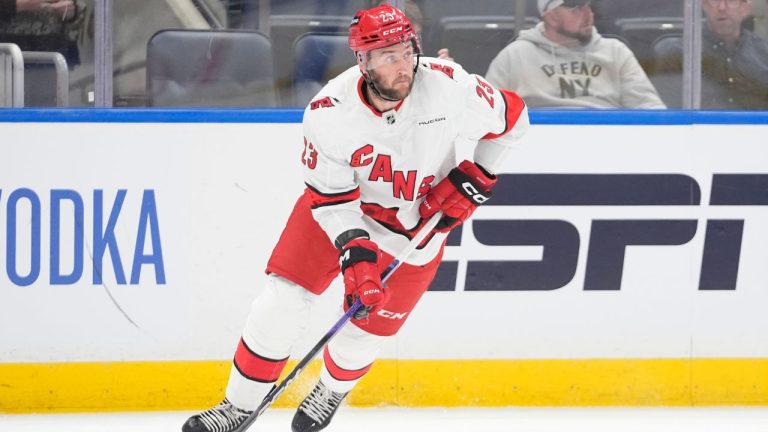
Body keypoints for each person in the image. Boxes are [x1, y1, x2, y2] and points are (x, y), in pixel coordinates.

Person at [182, 4, 529, 432]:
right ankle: (238, 406)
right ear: (362, 61)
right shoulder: (329, 113)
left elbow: (515, 120)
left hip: (416, 228)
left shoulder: (449, 85)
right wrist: (355, 253)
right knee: (280, 303)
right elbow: (331, 200)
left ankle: (330, 388)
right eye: (387, 56)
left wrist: (478, 175)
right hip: (340, 212)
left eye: (406, 51)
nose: (403, 67)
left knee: (365, 332)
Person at [485, 0, 665, 108]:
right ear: (551, 17)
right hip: (535, 147)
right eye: (576, 8)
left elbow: (651, 109)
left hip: (609, 145)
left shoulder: (615, 52)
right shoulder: (515, 56)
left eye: (588, 5)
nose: (588, 13)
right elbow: (485, 111)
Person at [654, 0, 768, 109]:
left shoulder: (763, 53)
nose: (722, 7)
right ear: (704, 5)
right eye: (714, 0)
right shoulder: (679, 55)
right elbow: (670, 114)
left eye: (731, 1)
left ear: (745, 8)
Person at [0, 0, 86, 67]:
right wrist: (19, 5)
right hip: (7, 53)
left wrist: (71, 10)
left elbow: (78, 9)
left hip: (53, 51)